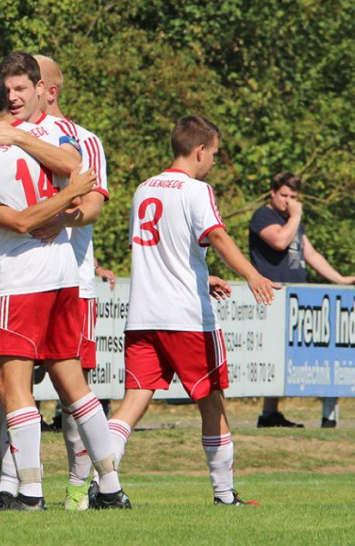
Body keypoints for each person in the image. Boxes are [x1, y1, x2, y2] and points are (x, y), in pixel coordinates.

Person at [0, 65, 123, 512]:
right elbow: (75, 168)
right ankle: (112, 488)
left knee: (13, 386)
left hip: (19, 280)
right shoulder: (49, 140)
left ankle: (31, 493)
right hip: (64, 275)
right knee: (75, 386)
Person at [104, 115, 279, 508]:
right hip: (187, 320)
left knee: (132, 401)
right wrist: (251, 274)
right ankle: (224, 495)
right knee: (212, 402)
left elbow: (161, 252)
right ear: (199, 150)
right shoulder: (197, 190)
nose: (214, 161)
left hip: (143, 316)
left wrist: (204, 276)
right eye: (214, 154)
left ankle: (107, 484)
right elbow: (216, 235)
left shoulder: (143, 188)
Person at [31, 53, 111, 510]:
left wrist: (56, 218)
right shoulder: (12, 137)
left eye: (27, 85)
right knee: (8, 387)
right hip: (15, 282)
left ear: (50, 90)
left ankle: (80, 487)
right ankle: (16, 485)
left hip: (72, 286)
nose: (14, 94)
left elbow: (94, 205)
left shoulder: (85, 141)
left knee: (70, 394)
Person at [250, 172, 355, 428]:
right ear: (273, 193)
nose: (289, 201)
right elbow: (279, 241)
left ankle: (271, 413)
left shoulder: (292, 221)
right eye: (284, 195)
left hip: (298, 296)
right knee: (276, 354)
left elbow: (310, 253)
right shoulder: (263, 216)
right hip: (272, 294)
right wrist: (296, 215)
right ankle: (268, 413)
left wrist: (340, 279)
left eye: (294, 197)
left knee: (291, 354)